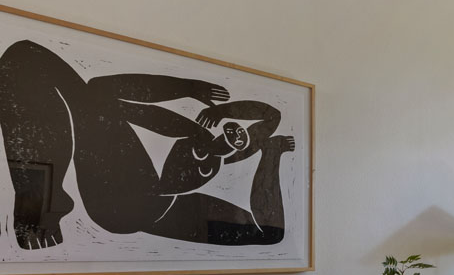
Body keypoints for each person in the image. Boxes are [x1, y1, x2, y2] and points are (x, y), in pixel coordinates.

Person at [0, 39, 293, 250]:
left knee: (269, 234)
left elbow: (272, 116)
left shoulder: (205, 160)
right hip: (132, 196)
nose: (235, 133)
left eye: (239, 139)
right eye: (234, 128)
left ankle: (40, 205)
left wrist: (271, 152)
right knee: (26, 56)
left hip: (134, 209)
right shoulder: (195, 134)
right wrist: (195, 94)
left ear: (238, 152)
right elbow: (122, 103)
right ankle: (38, 200)